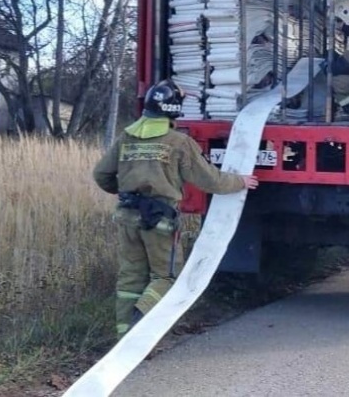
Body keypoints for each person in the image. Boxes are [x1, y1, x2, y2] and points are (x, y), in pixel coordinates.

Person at [93, 79, 259, 339]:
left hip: (126, 216)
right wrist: (240, 181)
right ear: (173, 110)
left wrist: (126, 192)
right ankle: (141, 322)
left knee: (130, 279)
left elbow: (101, 175)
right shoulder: (179, 142)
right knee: (166, 278)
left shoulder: (126, 137)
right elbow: (210, 180)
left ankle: (122, 336)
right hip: (159, 219)